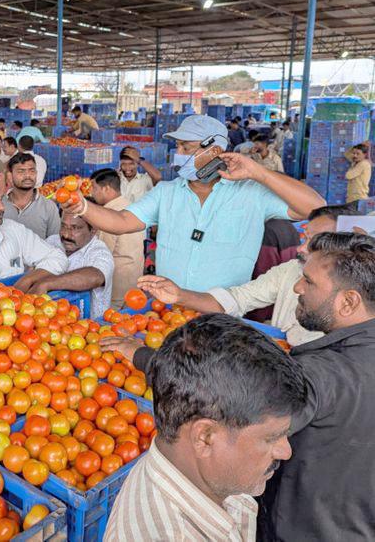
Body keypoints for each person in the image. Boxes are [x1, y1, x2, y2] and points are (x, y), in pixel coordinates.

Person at [61, 115, 325, 291]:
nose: (179, 154)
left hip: (223, 314)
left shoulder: (251, 193)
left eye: (187, 148)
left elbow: (313, 208)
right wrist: (82, 206)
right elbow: (121, 222)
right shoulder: (167, 192)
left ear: (215, 150)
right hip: (168, 310)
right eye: (179, 148)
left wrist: (259, 173)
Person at [103, 314, 307, 542]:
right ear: (205, 437)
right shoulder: (170, 534)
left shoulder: (210, 475)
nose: (286, 451)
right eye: (271, 438)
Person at [257, 232, 375, 540]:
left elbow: (246, 418)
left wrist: (148, 360)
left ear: (348, 302)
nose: (297, 287)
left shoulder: (323, 372)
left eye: (308, 281)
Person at [139, 205, 355, 346]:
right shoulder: (290, 270)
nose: (301, 248)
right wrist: (180, 295)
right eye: (305, 238)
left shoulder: (358, 303)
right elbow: (238, 298)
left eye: (315, 242)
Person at [41, 210, 115, 319]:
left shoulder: (100, 253)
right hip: (52, 323)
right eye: (63, 226)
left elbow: (95, 277)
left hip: (89, 329)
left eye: (75, 228)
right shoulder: (52, 242)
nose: (66, 234)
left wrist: (46, 284)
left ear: (93, 230)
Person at [90, 169, 145, 309]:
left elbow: (102, 252)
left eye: (94, 188)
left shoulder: (108, 216)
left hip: (117, 285)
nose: (91, 193)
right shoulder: (132, 208)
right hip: (134, 278)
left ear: (107, 188)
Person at [2, 153, 60, 239]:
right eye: (21, 171)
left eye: (32, 171)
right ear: (10, 176)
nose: (28, 176)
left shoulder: (49, 207)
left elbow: (55, 243)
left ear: (36, 173)